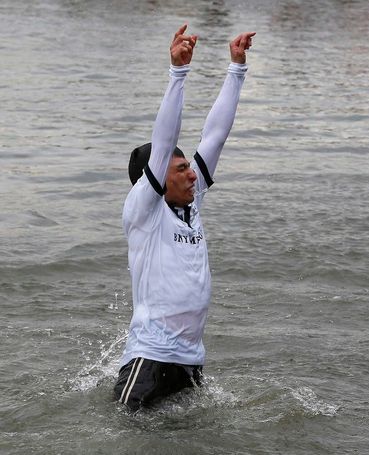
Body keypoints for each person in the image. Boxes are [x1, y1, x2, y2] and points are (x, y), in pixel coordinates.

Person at [114, 24, 256, 411]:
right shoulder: (144, 209)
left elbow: (215, 135)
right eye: (180, 169)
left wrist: (236, 68)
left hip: (190, 361)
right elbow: (163, 142)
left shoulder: (192, 202)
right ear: (156, 178)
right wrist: (178, 74)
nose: (192, 172)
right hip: (149, 360)